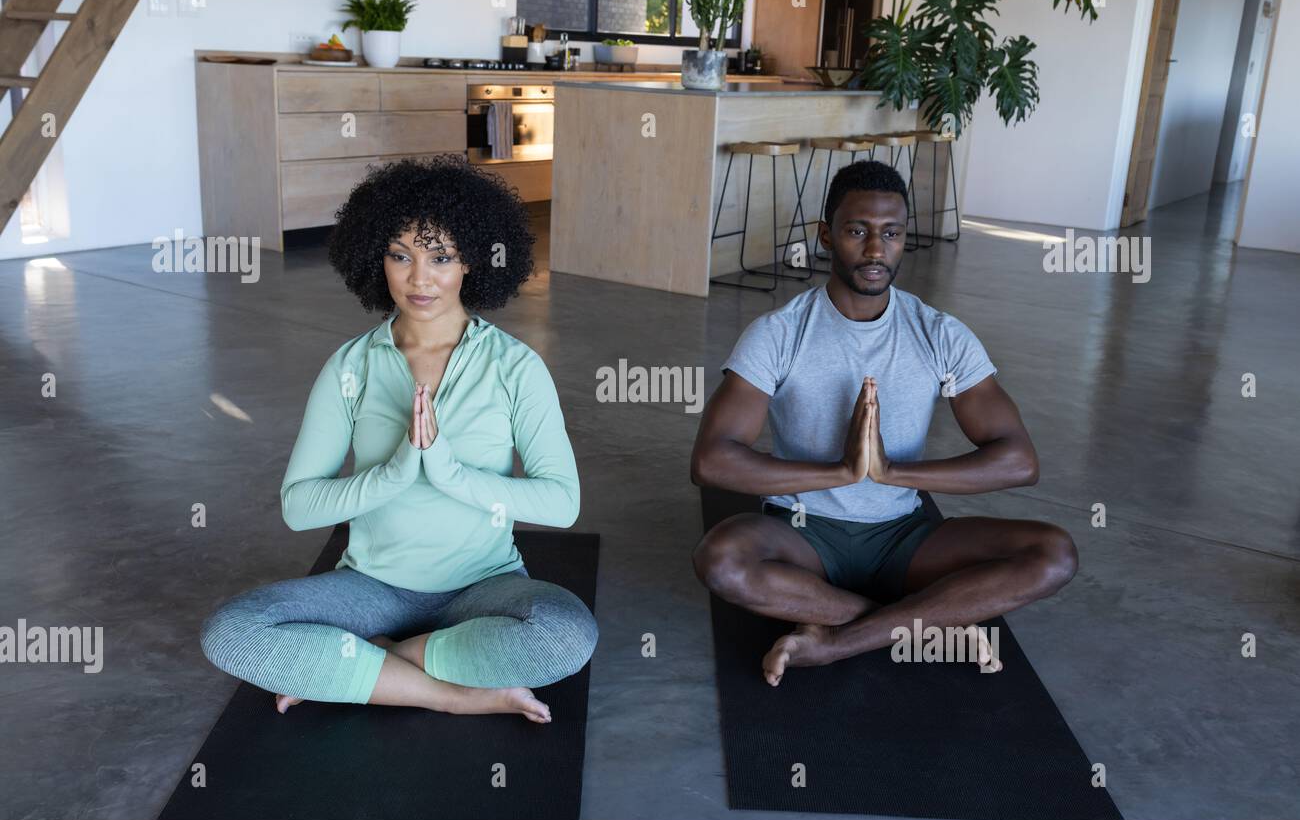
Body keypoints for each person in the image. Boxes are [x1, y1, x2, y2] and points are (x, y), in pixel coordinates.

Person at [201, 156, 596, 723]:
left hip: (484, 587)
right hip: (370, 589)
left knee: (564, 637)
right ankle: (450, 693)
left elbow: (561, 502)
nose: (419, 278)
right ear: (375, 259)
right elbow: (298, 507)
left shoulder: (516, 367)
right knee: (232, 633)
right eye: (399, 255)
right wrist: (395, 472)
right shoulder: (349, 367)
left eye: (440, 257)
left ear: (471, 264)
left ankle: (374, 665)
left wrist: (449, 472)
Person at [690, 159, 1077, 685]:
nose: (876, 250)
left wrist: (891, 473)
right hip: (802, 536)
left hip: (904, 535)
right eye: (857, 231)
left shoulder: (939, 333)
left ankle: (837, 638)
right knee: (721, 560)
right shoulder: (778, 333)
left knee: (1052, 554)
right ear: (826, 236)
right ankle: (926, 623)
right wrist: (843, 471)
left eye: (891, 234)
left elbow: (1018, 461)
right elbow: (712, 461)